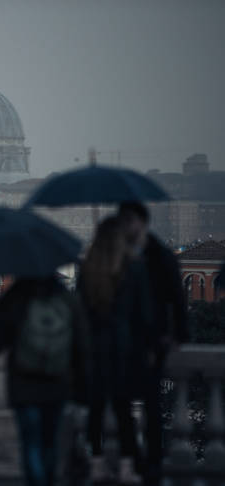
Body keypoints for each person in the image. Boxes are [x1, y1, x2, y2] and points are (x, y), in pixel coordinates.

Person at [117, 202, 188, 485]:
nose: (124, 227)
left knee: (151, 405)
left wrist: (179, 335)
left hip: (151, 341)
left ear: (141, 222)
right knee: (122, 405)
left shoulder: (160, 256)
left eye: (128, 221)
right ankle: (133, 458)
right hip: (124, 341)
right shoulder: (121, 255)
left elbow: (177, 298)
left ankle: (154, 463)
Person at [0, 276, 89, 486]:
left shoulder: (17, 297)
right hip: (58, 383)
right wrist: (82, 389)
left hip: (24, 384)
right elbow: (82, 347)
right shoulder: (67, 298)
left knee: (31, 445)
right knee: (51, 443)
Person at [79, 216, 151, 484]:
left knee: (95, 411)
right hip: (124, 350)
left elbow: (81, 313)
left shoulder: (88, 269)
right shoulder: (134, 268)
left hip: (94, 350)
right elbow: (144, 315)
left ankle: (96, 463)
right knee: (124, 411)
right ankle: (125, 466)